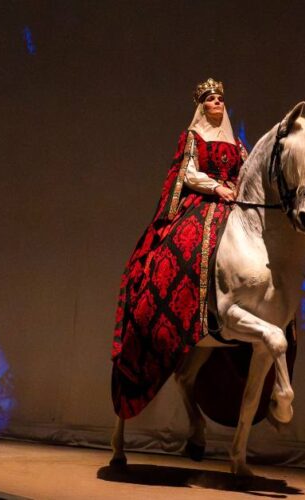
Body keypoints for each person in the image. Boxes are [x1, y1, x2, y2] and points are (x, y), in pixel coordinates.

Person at [111, 78, 248, 418]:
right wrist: (218, 188)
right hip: (203, 202)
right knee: (185, 249)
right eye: (210, 99)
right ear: (201, 107)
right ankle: (181, 308)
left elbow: (246, 172)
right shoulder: (193, 138)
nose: (216, 102)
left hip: (234, 202)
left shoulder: (238, 143)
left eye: (219, 98)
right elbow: (187, 174)